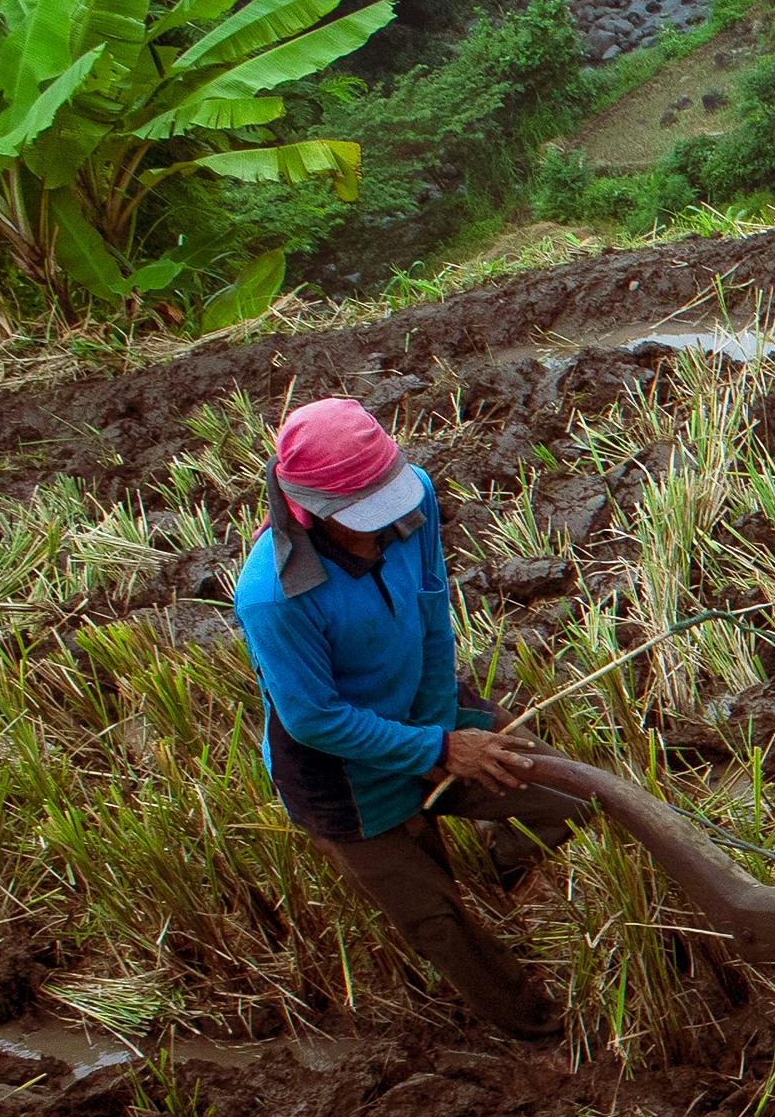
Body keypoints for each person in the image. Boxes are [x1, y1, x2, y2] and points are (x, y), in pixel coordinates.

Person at [232, 398, 584, 1040]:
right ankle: (533, 1029)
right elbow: (313, 719)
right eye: (365, 519)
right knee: (437, 919)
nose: (390, 526)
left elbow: (430, 614)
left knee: (564, 791)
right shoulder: (273, 596)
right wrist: (433, 750)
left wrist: (441, 733)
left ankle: (505, 872)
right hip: (342, 773)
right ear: (313, 511)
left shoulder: (410, 496)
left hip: (426, 707)